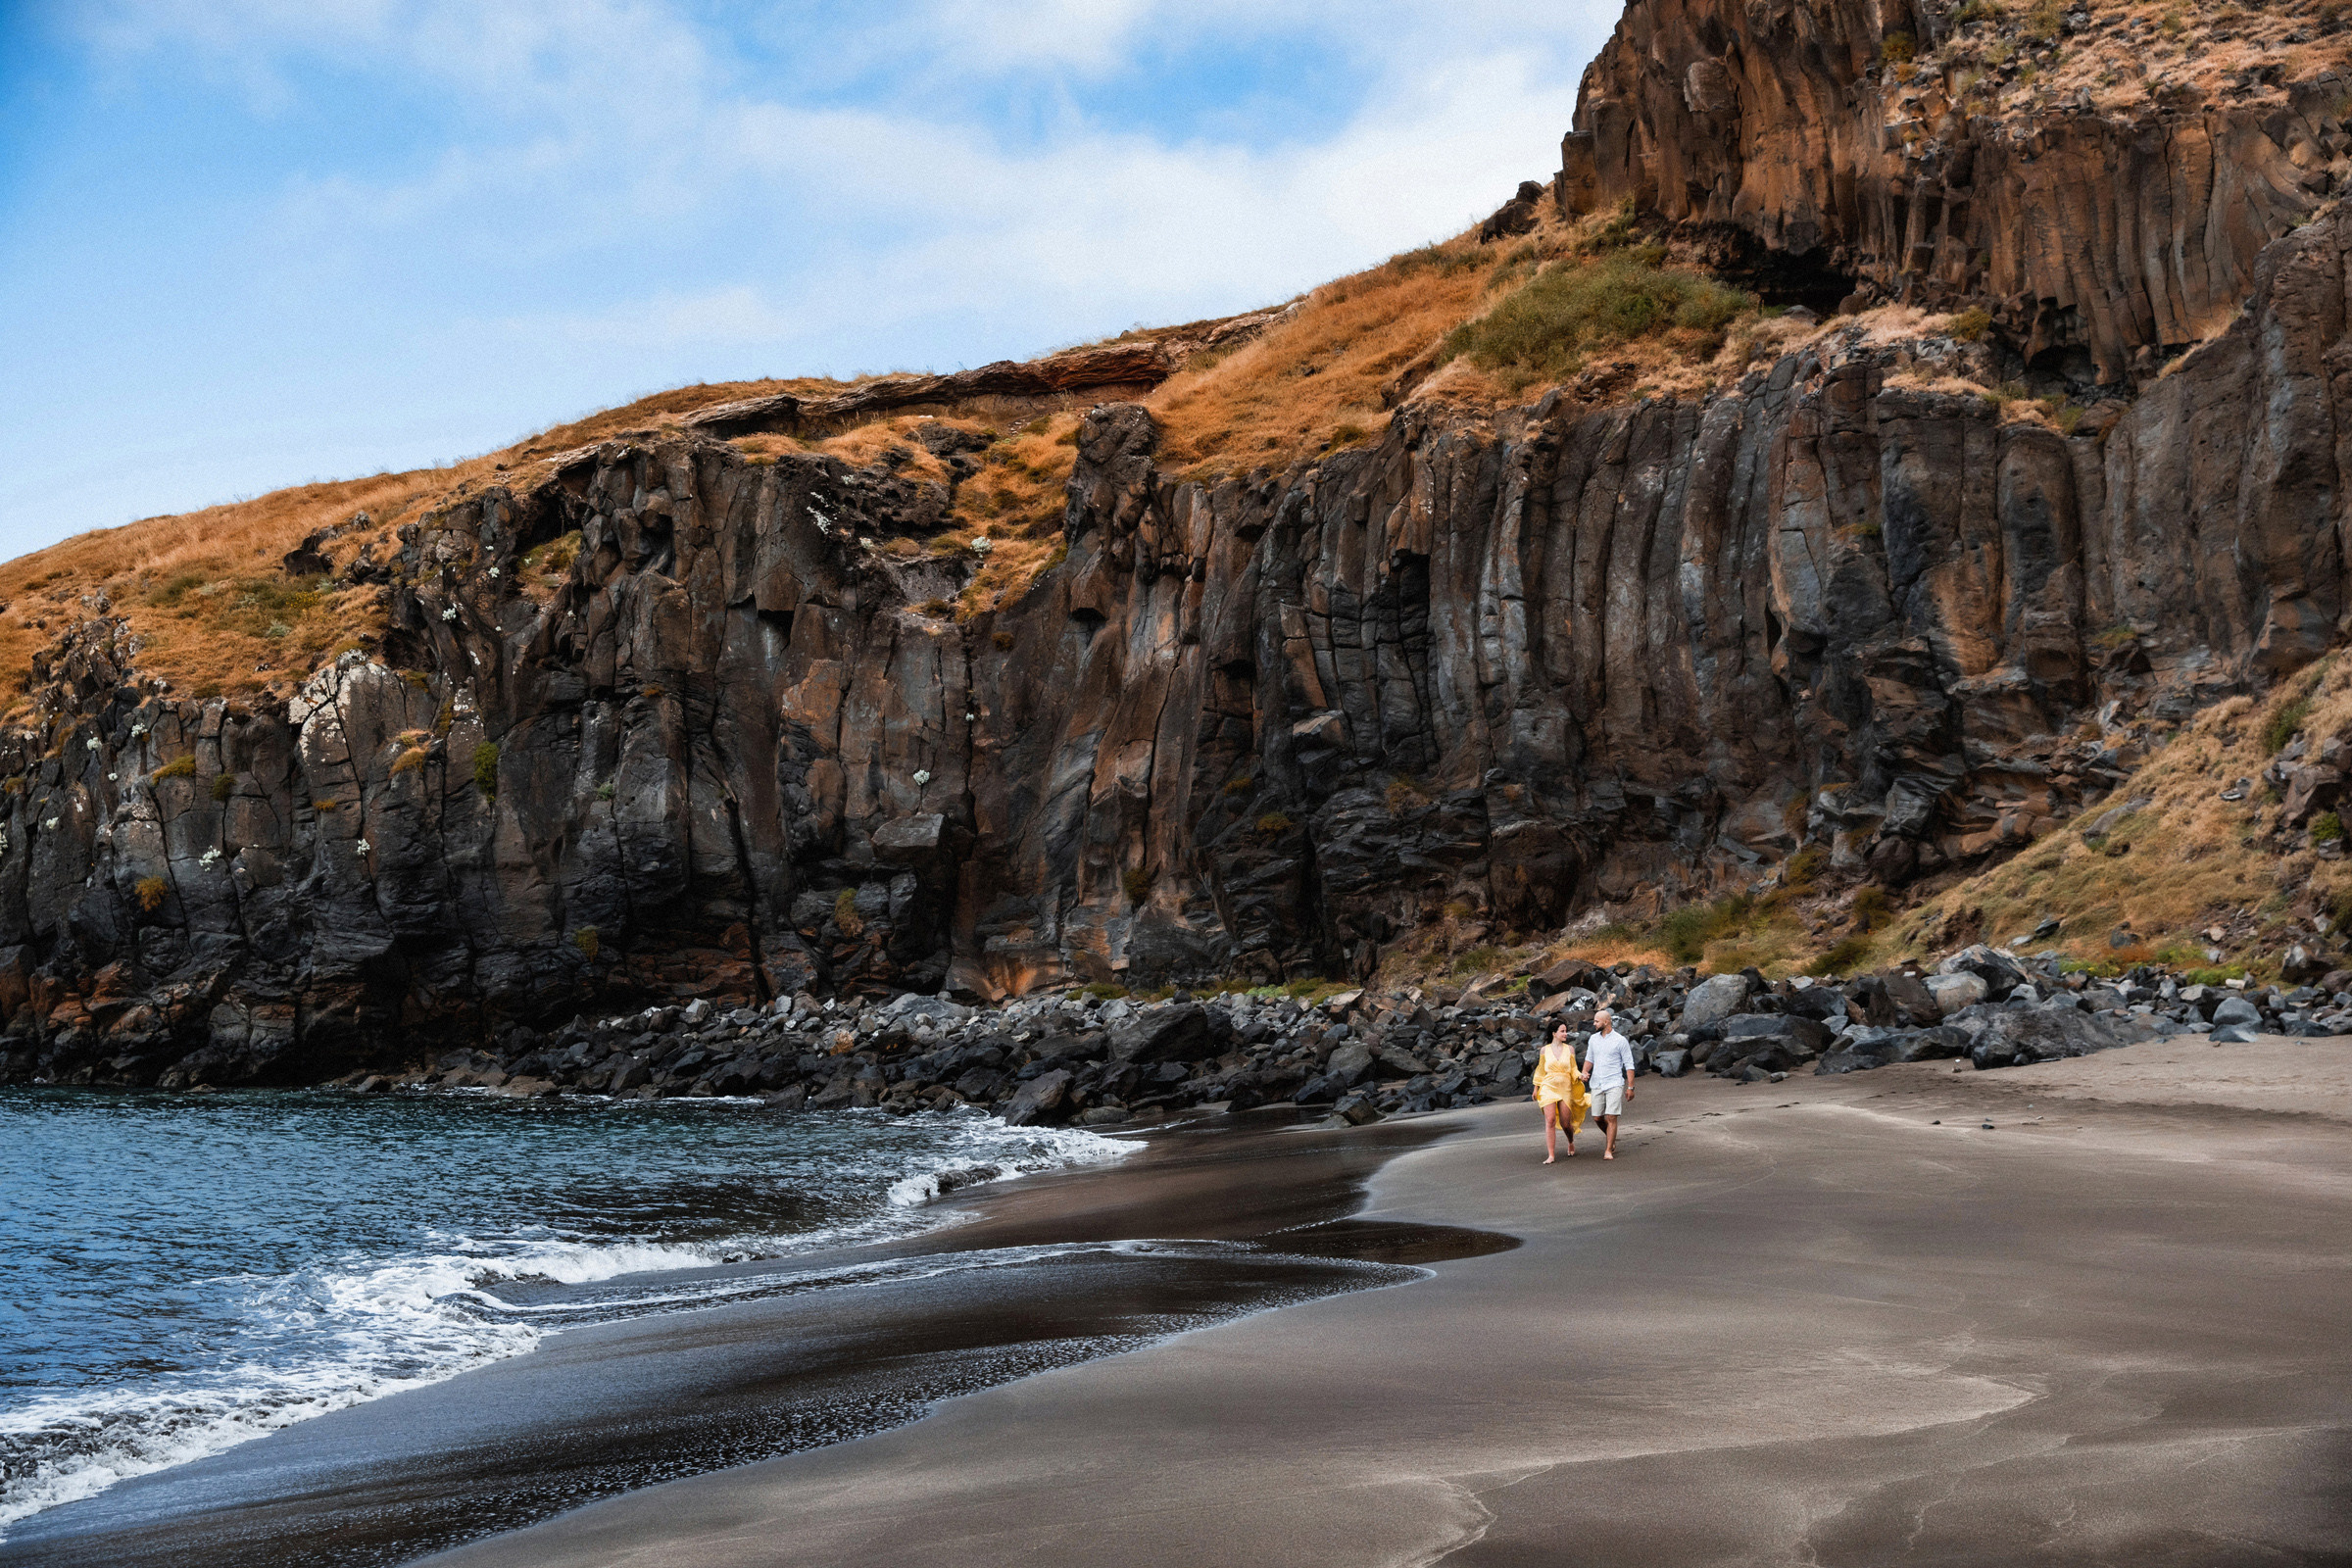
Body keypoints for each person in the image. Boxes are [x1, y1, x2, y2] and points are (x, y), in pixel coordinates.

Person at [1584, 1006, 1637, 1160]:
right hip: (1597, 1083)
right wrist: (1584, 1072)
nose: (1594, 1024)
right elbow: (1589, 1059)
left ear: (1606, 1022)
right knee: (1597, 1118)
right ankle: (1611, 1138)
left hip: (1614, 1082)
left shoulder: (1620, 1041)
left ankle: (1608, 1150)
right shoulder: (1593, 1039)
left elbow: (1629, 1064)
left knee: (1611, 1117)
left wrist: (1630, 1087)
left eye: (1596, 1021)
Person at [1532, 1022, 1587, 1163]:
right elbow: (1540, 1070)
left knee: (1565, 1123)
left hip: (1565, 1087)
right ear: (1554, 1033)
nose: (1565, 1034)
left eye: (1566, 1031)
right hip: (1548, 1086)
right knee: (1550, 1120)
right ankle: (1551, 1155)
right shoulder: (1544, 1050)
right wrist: (1536, 1088)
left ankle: (1570, 1140)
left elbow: (1573, 1069)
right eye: (1562, 1031)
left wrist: (1580, 1076)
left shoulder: (1570, 1049)